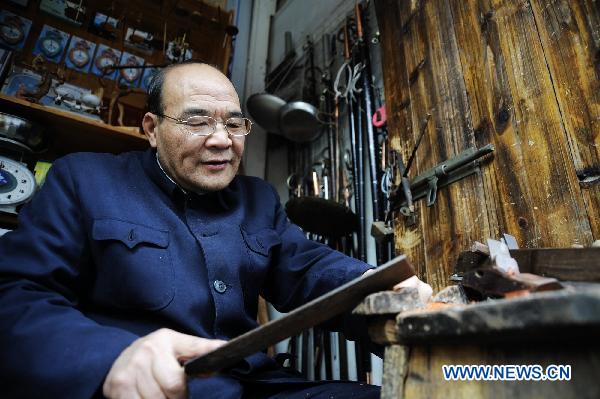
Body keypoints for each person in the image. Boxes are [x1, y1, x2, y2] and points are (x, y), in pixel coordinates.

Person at [0, 62, 432, 398]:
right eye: (198, 121)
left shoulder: (258, 199)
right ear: (152, 129)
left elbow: (309, 269)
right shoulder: (83, 180)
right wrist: (107, 360)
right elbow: (15, 294)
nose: (222, 139)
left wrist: (381, 289)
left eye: (233, 123)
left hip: (252, 386)